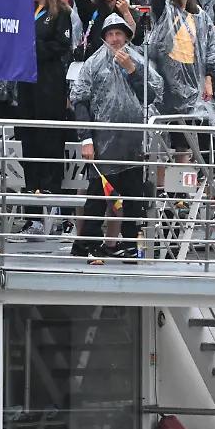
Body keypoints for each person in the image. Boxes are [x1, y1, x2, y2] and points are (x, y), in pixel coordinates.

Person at [69, 13, 163, 262]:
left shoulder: (139, 61)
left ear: (127, 36)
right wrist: (86, 139)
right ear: (103, 37)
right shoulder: (92, 63)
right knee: (97, 198)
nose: (115, 39)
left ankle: (130, 245)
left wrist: (132, 71)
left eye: (119, 33)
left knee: (133, 198)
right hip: (102, 143)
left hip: (133, 143)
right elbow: (80, 101)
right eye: (110, 34)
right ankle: (86, 245)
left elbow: (152, 95)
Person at [147, 0, 215, 161]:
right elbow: (156, 1)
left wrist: (208, 80)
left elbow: (210, 49)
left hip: (193, 81)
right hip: (168, 81)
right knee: (164, 137)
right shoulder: (165, 11)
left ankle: (182, 187)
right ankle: (161, 187)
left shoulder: (199, 16)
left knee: (186, 139)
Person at [14, 0, 72, 207]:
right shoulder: (23, 10)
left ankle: (51, 190)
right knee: (28, 133)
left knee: (49, 134)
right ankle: (31, 190)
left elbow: (63, 45)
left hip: (50, 77)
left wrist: (34, 46)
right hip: (26, 77)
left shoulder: (60, 13)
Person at [75, 0, 141, 61]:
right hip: (95, 64)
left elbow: (137, 39)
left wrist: (126, 13)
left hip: (122, 63)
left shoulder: (128, 10)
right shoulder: (92, 10)